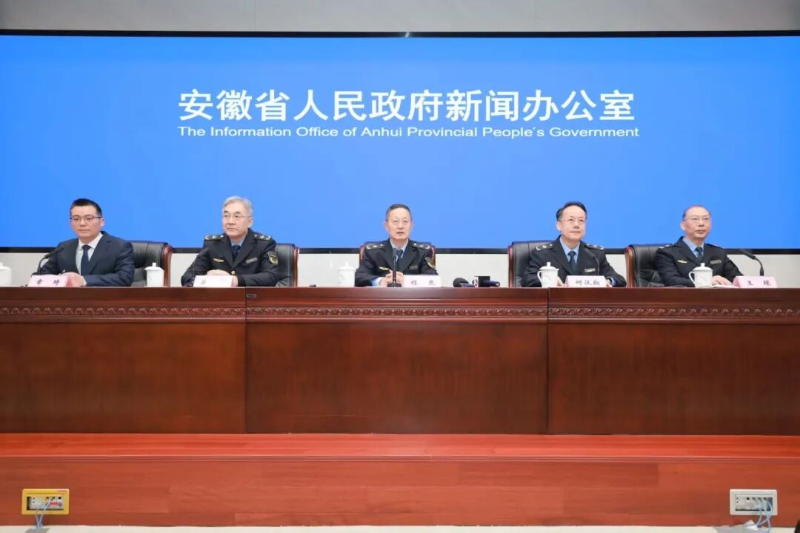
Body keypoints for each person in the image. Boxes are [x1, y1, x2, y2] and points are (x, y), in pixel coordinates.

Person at [181, 196, 283, 287]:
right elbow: (187, 277)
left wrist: (235, 280)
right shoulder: (212, 244)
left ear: (250, 221)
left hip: (250, 299)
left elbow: (271, 276)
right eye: (226, 216)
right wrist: (207, 278)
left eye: (237, 216)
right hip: (220, 300)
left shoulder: (263, 244)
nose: (230, 222)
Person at [521, 201, 626, 287]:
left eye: (581, 221)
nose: (576, 225)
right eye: (571, 220)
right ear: (559, 225)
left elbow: (619, 279)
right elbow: (527, 280)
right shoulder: (542, 254)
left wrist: (608, 281)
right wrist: (548, 280)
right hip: (556, 304)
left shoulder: (595, 255)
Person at [38, 198, 134, 287]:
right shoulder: (63, 248)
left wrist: (83, 280)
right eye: (76, 219)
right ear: (71, 223)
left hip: (105, 299)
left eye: (88, 218)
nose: (82, 223)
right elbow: (41, 276)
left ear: (102, 222)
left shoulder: (119, 246)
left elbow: (124, 278)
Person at [655, 204, 741, 287]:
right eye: (695, 219)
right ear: (683, 225)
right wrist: (707, 282)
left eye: (706, 219)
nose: (701, 223)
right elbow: (671, 281)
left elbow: (738, 279)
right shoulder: (667, 253)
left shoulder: (718, 252)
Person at [355, 203, 437, 287]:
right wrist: (381, 281)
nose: (400, 226)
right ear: (386, 226)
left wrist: (406, 280)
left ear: (411, 225)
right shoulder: (373, 252)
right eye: (395, 221)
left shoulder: (423, 252)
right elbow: (359, 277)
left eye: (405, 221)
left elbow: (433, 278)